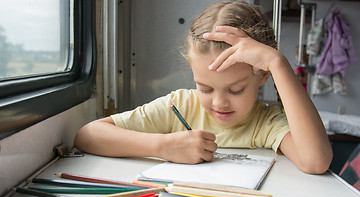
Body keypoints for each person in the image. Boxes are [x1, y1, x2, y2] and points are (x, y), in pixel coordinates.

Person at [74, 1, 332, 174]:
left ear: (262, 76)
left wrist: (277, 62)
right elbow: (88, 135)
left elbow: (316, 161)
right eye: (205, 89)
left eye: (236, 90)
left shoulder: (265, 123)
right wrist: (162, 146)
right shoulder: (181, 106)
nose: (219, 103)